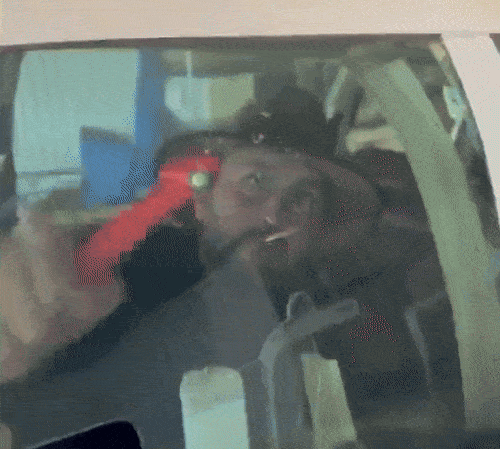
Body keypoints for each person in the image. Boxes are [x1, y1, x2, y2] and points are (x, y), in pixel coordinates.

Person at [0, 89, 454, 448]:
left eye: (306, 199)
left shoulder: (338, 313)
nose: (276, 213)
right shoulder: (134, 277)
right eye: (256, 182)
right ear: (200, 201)